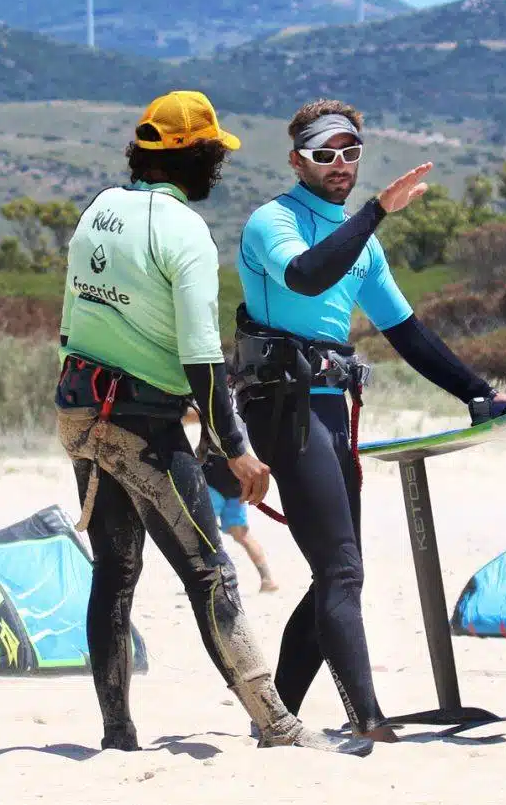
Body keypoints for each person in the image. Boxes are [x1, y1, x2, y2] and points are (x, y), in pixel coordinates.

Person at [54, 89, 372, 758]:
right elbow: (202, 356)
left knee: (114, 570)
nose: (219, 170)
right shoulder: (185, 233)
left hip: (81, 410)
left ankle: (118, 733)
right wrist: (237, 449)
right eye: (214, 156)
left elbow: (71, 324)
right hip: (144, 425)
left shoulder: (97, 214)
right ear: (193, 157)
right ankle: (280, 725)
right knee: (212, 575)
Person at [231, 97, 506, 742]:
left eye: (350, 153)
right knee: (342, 571)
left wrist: (478, 393)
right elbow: (308, 277)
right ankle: (367, 719)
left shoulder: (361, 246)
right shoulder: (272, 222)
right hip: (280, 406)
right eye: (324, 154)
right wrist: (375, 213)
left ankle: (275, 715)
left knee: (337, 572)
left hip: (328, 406)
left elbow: (407, 333)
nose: (339, 164)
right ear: (298, 161)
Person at [201, 451, 279, 593]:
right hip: (237, 487)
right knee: (243, 535)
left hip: (212, 482)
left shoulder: (219, 429)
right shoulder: (244, 430)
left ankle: (206, 580)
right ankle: (267, 579)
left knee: (200, 532)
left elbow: (203, 450)